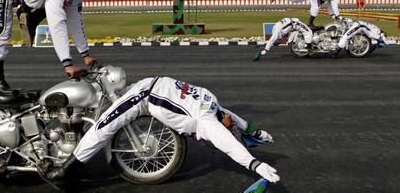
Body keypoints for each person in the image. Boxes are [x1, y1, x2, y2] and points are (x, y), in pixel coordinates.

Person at [48, 76, 280, 184]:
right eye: (227, 125)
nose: (229, 123)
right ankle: (66, 171)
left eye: (227, 125)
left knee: (98, 117)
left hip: (151, 85)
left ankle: (67, 165)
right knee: (101, 129)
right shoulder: (210, 116)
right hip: (144, 96)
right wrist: (253, 163)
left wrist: (254, 132)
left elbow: (229, 128)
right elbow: (228, 139)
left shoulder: (212, 108)